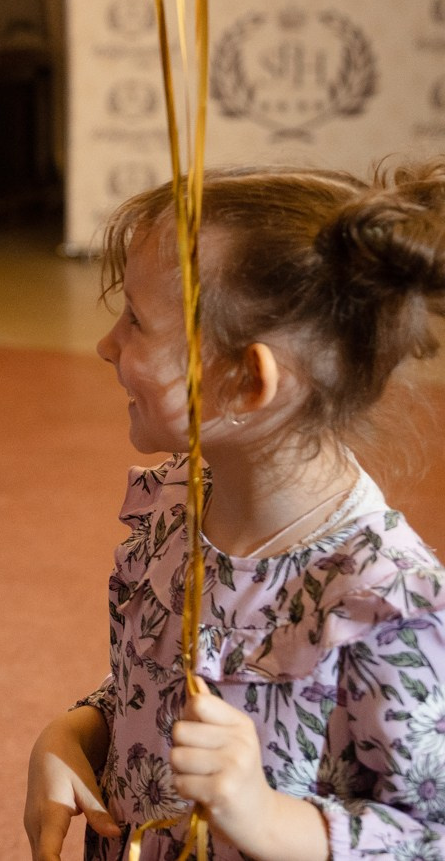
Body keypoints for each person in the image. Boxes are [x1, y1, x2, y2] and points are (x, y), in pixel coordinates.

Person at [24, 164, 445, 861]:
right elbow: (161, 691)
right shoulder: (176, 500)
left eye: (135, 320)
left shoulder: (385, 601)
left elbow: (428, 832)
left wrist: (268, 819)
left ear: (248, 381)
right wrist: (80, 731)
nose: (106, 345)